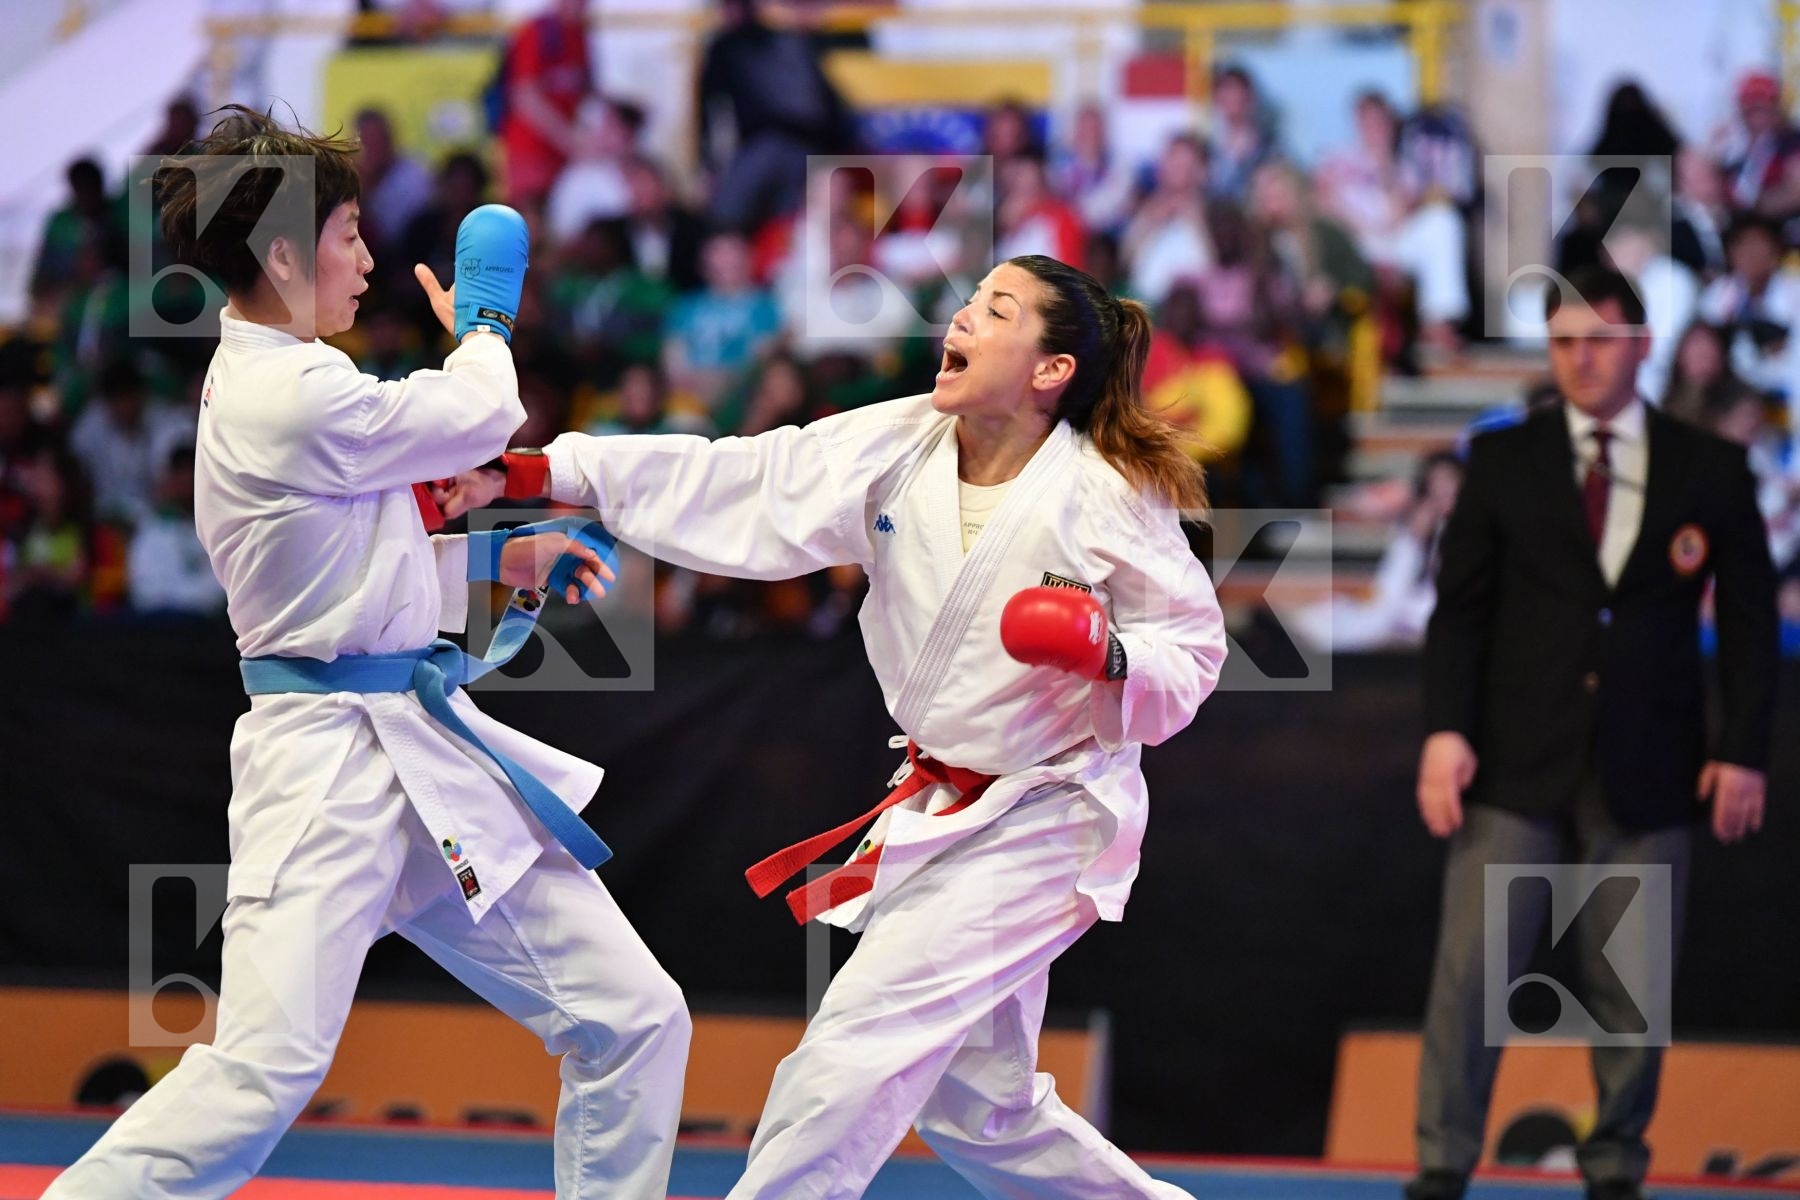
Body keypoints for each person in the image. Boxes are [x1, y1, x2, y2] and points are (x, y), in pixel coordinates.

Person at [444, 253, 1227, 1200]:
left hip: (1049, 810)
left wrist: (1112, 657)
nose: (963, 320)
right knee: (979, 1107)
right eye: (970, 302)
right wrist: (550, 467)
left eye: (997, 310)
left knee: (849, 1055)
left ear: (1050, 369)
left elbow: (1192, 651)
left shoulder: (1105, 495)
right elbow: (747, 480)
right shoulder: (902, 443)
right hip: (942, 801)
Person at [41, 107, 690, 1200]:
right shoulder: (283, 392)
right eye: (350, 233)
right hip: (327, 771)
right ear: (285, 253)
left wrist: (500, 578)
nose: (371, 259)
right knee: (261, 1072)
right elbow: (482, 413)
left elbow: (366, 590)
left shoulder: (296, 389)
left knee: (633, 1019)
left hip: (415, 754)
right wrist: (484, 320)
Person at [1409, 266, 1778, 1200]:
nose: (1580, 358)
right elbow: (1459, 615)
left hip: (1652, 759)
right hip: (1511, 754)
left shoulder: (1711, 468)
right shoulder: (1502, 460)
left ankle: (1614, 1169)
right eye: (1564, 341)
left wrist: (1742, 749)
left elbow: (1746, 623)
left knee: (1631, 994)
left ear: (1643, 345)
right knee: (1471, 981)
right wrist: (1445, 732)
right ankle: (1442, 1167)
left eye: (1600, 340)